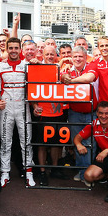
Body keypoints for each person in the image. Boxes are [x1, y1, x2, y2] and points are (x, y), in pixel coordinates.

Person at [0, 37, 36, 188]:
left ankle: (29, 171)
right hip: (6, 107)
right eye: (10, 48)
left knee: (26, 140)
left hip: (23, 106)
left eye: (16, 48)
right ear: (7, 49)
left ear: (20, 49)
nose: (13, 51)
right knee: (5, 140)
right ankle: (5, 172)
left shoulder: (28, 65)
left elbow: (35, 86)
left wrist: (37, 64)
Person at [59, 45, 96, 182]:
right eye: (75, 56)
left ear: (86, 57)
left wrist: (71, 81)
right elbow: (58, 77)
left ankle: (88, 174)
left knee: (89, 143)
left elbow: (89, 78)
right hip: (74, 112)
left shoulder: (91, 67)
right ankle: (82, 172)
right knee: (77, 142)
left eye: (80, 56)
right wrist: (63, 72)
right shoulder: (67, 69)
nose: (78, 59)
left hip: (91, 112)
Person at [32, 45, 66, 186]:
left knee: (56, 144)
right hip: (43, 113)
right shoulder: (37, 69)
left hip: (58, 112)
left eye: (52, 54)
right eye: (47, 54)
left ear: (56, 55)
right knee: (42, 145)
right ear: (43, 55)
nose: (50, 56)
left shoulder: (60, 69)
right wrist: (34, 107)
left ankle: (55, 169)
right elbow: (31, 90)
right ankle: (42, 171)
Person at [79, 101, 108, 189]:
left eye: (107, 113)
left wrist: (107, 151)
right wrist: (78, 144)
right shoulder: (94, 124)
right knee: (88, 176)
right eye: (101, 113)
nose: (103, 116)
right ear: (97, 113)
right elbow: (77, 137)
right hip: (104, 157)